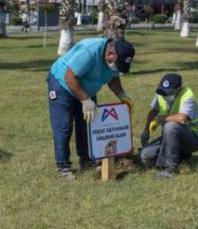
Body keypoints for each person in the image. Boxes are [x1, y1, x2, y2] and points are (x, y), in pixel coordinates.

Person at [47, 38, 135, 180]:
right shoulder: (90, 51)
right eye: (117, 64)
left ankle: (86, 160)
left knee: (87, 125)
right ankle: (63, 167)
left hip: (86, 89)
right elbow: (70, 76)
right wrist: (85, 100)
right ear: (110, 54)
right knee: (63, 127)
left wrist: (122, 95)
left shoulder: (112, 59)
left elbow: (112, 77)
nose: (116, 68)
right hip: (62, 84)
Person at [139, 73, 198, 179]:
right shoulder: (161, 92)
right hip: (169, 138)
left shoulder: (188, 96)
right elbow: (153, 111)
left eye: (169, 92)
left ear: (178, 89)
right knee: (144, 156)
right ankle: (180, 158)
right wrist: (146, 130)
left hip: (192, 138)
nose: (165, 95)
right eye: (163, 91)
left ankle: (170, 169)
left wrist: (159, 118)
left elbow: (182, 119)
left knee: (171, 126)